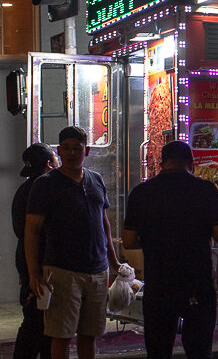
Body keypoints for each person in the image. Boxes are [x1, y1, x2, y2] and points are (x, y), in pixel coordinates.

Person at [122, 140, 218, 358]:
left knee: (159, 350)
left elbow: (129, 241)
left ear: (161, 163)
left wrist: (155, 239)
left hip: (159, 283)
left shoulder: (141, 193)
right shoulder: (206, 189)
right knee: (199, 350)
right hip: (197, 283)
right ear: (191, 163)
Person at [25, 126, 121, 359]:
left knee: (90, 335)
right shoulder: (45, 184)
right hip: (61, 271)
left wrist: (114, 263)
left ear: (86, 150)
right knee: (61, 335)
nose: (70, 153)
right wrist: (33, 273)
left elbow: (104, 224)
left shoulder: (95, 179)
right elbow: (32, 231)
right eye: (65, 148)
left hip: (97, 271)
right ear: (58, 150)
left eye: (76, 148)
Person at [12, 143, 57, 359]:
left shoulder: (23, 190)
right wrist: (35, 273)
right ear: (50, 163)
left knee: (36, 323)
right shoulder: (45, 190)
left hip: (27, 263)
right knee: (38, 326)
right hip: (40, 268)